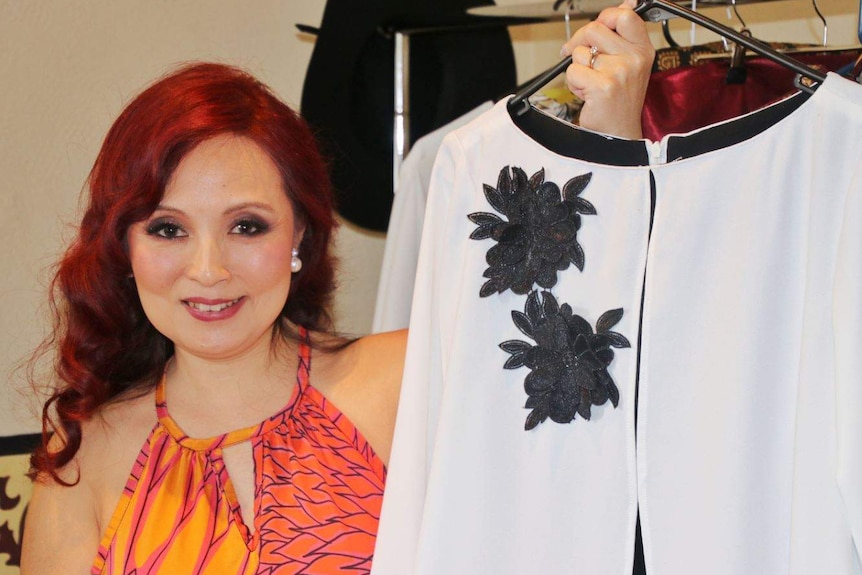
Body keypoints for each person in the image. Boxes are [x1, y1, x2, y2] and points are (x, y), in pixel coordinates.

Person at [21, 3, 654, 574]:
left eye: (246, 225)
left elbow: (589, 432)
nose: (209, 269)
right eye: (167, 229)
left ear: (300, 234)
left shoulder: (408, 383)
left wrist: (610, 144)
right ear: (123, 247)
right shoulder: (84, 453)